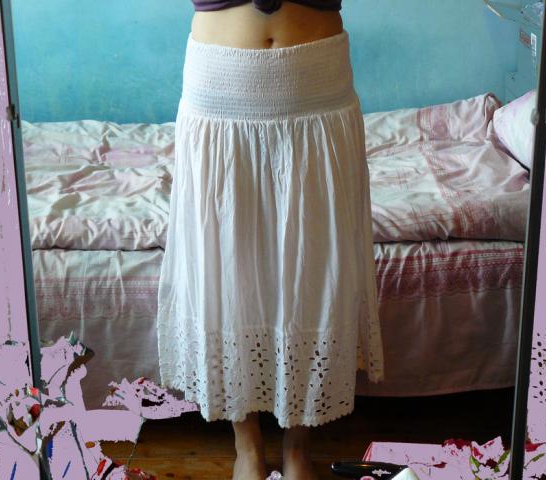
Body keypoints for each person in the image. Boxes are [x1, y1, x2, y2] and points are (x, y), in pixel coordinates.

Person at [156, 1, 385, 479]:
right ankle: (247, 446)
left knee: (314, 265)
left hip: (314, 86)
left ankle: (298, 443)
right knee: (228, 265)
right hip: (222, 88)